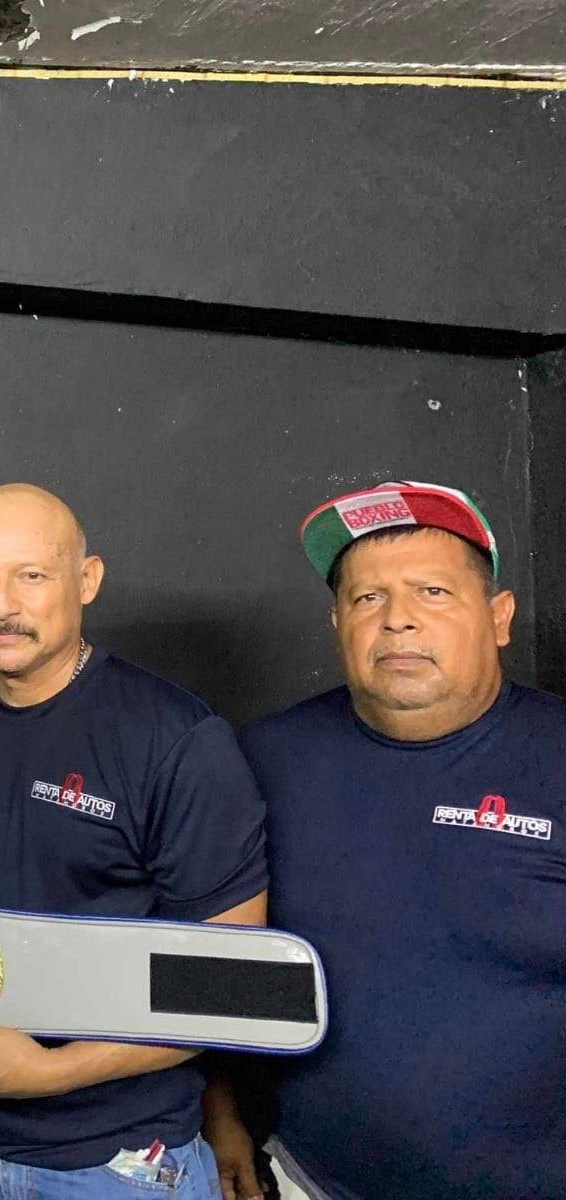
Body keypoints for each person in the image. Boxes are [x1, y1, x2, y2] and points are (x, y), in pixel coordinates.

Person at [0, 484, 269, 1200]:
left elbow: (238, 988)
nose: (2, 602)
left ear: (88, 580)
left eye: (32, 575)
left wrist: (51, 1072)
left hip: (123, 1162)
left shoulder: (176, 740)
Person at [205, 480, 565, 1200]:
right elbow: (210, 953)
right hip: (309, 1179)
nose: (398, 620)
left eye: (433, 592)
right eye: (368, 598)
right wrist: (218, 1116)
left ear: (499, 618)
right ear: (337, 621)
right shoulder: (267, 758)